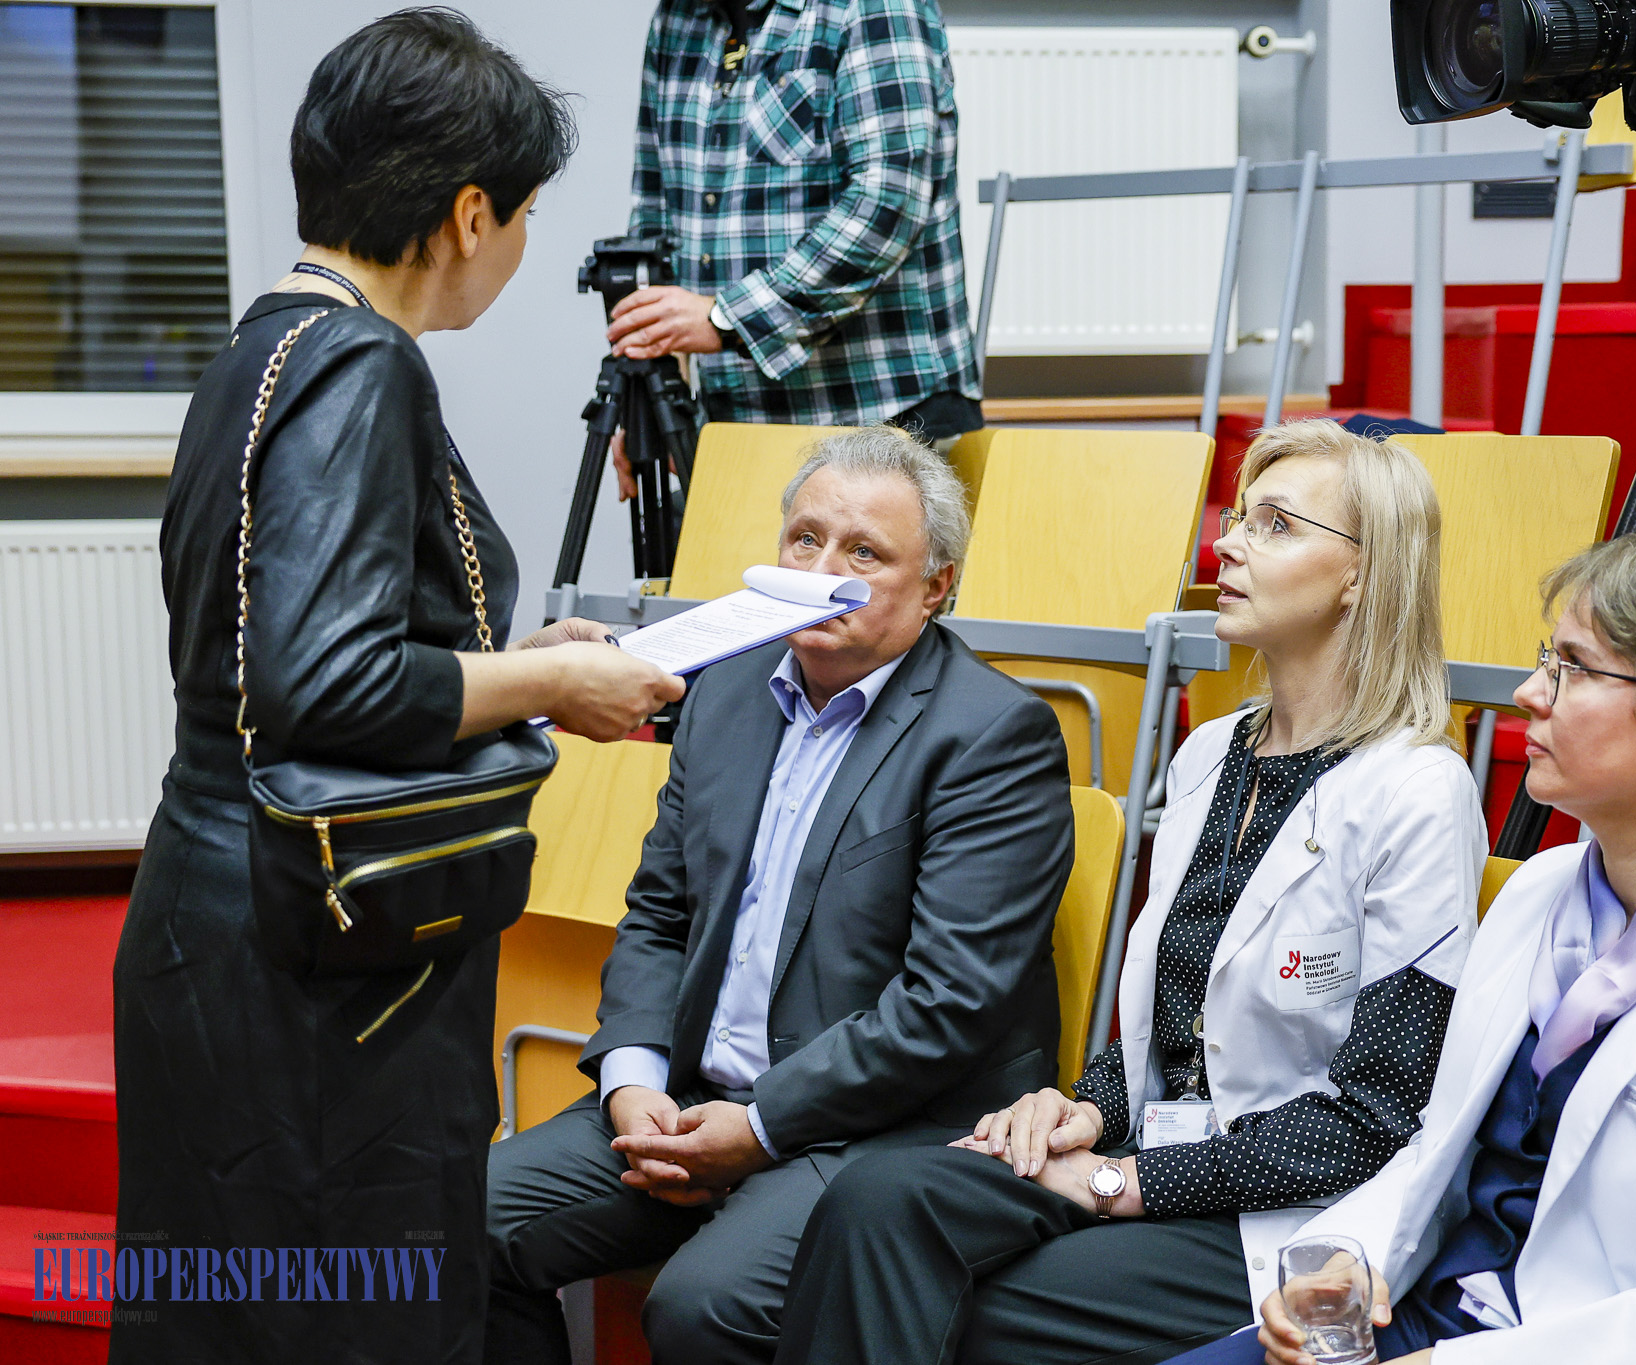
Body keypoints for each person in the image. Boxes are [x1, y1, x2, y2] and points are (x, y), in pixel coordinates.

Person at [115, 12, 686, 1364]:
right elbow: (331, 679)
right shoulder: (365, 364)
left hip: (219, 902)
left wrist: (519, 671)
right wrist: (549, 679)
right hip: (321, 948)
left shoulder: (261, 347)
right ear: (469, 211)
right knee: (351, 1314)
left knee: (231, 1306)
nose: (525, 244)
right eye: (528, 212)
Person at [770, 420, 1489, 1365]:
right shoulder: (1207, 754)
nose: (1227, 544)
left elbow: (1374, 1117)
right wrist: (1086, 1112)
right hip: (1153, 1154)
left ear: (1363, 572)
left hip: (1287, 1213)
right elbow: (1164, 1036)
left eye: (1275, 524)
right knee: (873, 1199)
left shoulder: (1418, 792)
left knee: (968, 1307)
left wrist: (1118, 1179)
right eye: (1238, 516)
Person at [1174, 530, 1636, 1365]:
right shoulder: (1536, 891)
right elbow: (1437, 1145)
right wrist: (1351, 1255)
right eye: (1544, 659)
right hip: (1429, 1321)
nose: (1529, 693)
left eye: (1572, 668)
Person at [484, 427, 1074, 1365]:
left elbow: (948, 1005)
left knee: (703, 1307)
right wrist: (635, 1084)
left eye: (863, 552)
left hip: (880, 1133)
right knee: (460, 1224)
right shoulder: (725, 695)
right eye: (804, 540)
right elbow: (660, 912)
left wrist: (759, 1128)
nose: (820, 569)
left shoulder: (993, 735)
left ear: (937, 587)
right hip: (686, 1102)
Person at [603, 0, 980, 506]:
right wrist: (651, 395)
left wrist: (725, 320)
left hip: (881, 415)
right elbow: (655, 213)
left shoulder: (872, 7)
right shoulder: (677, 18)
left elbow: (885, 203)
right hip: (732, 424)